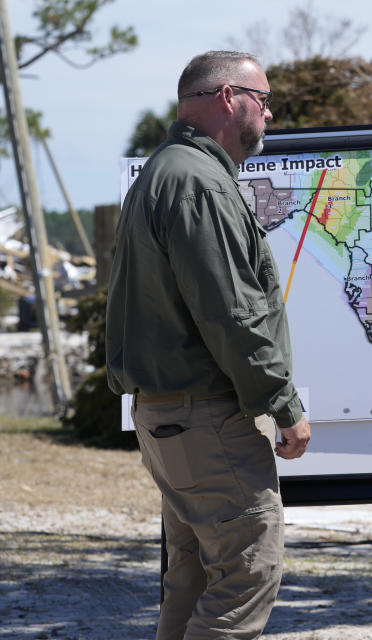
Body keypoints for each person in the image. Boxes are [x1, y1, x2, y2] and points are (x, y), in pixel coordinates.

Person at [105, 50, 311, 639]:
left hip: (171, 419)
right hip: (205, 422)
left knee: (193, 575)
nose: (269, 116)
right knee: (248, 571)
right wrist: (285, 405)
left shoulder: (167, 170)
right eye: (264, 101)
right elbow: (233, 314)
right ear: (228, 98)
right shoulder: (197, 182)